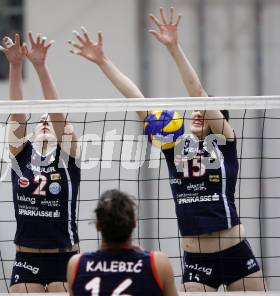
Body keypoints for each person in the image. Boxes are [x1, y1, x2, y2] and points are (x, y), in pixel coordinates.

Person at [68, 7, 264, 292]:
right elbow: (136, 100)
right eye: (194, 110)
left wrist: (174, 48)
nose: (197, 112)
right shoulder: (174, 145)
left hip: (235, 251)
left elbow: (197, 91)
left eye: (205, 110)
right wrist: (103, 61)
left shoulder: (224, 142)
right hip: (197, 258)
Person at [0, 32, 80, 293]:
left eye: (49, 121)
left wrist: (40, 66)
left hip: (64, 257)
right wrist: (15, 66)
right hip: (26, 258)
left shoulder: (68, 157)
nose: (45, 122)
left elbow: (57, 113)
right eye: (40, 121)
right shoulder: (20, 153)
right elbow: (18, 114)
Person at [67, 189, 178, 296]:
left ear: (98, 226)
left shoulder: (76, 264)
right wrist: (143, 256)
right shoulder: (158, 263)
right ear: (134, 223)